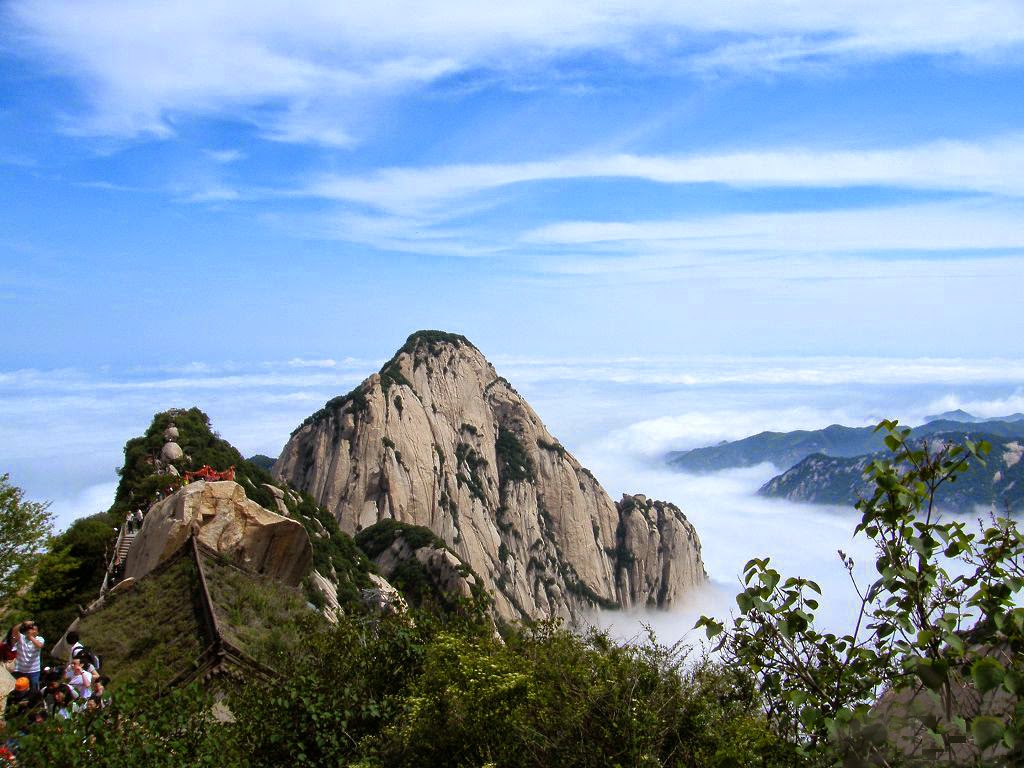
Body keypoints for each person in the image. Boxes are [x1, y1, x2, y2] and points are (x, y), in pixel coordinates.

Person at [11, 622, 44, 691]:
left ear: (37, 632)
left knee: (34, 689)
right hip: (20, 670)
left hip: (34, 671)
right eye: (30, 629)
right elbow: (14, 631)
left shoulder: (40, 639)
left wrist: (31, 637)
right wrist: (23, 623)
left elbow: (39, 645)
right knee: (18, 689)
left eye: (33, 629)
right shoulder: (21, 637)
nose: (31, 631)